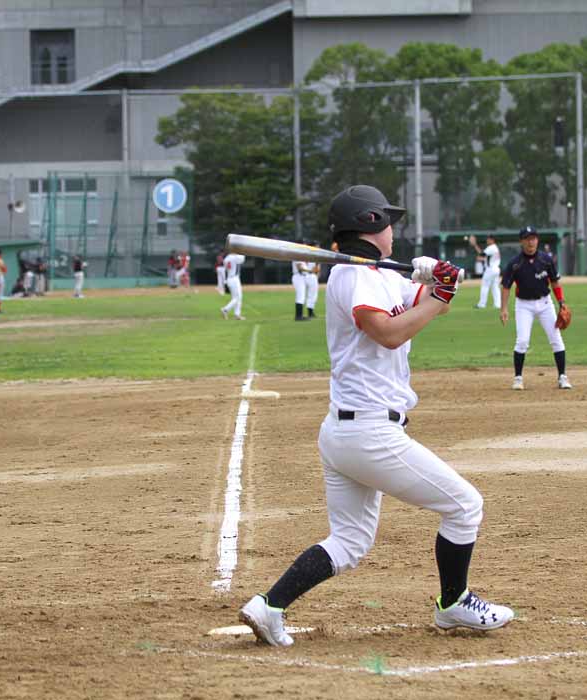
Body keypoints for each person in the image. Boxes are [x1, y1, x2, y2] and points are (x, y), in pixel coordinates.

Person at [239, 185, 513, 647]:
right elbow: (386, 331)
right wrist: (435, 302)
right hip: (369, 432)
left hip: (349, 431)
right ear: (369, 225)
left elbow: (418, 296)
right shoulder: (354, 275)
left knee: (349, 542)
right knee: (465, 506)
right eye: (387, 222)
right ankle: (453, 603)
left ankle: (268, 606)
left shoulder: (379, 274)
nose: (392, 229)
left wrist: (438, 278)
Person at [500, 226, 571, 390]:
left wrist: (561, 302)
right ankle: (518, 378)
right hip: (524, 305)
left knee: (556, 339)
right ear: (521, 241)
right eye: (527, 238)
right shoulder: (515, 264)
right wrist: (503, 309)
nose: (531, 241)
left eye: (533, 238)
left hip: (545, 304)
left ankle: (562, 376)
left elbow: (554, 282)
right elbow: (506, 287)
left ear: (537, 240)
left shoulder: (546, 260)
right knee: (522, 341)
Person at [469, 234, 501, 309]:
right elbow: (486, 257)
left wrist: (475, 245)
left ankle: (482, 304)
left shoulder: (491, 247)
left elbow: (482, 254)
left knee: (485, 286)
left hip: (490, 269)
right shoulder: (495, 248)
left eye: (489, 239)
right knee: (495, 287)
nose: (487, 240)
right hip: (496, 269)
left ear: (492, 240)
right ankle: (497, 304)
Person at [219, 249, 245, 321]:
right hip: (234, 279)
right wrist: (244, 250)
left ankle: (237, 315)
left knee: (236, 297)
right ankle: (225, 309)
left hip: (230, 278)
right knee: (237, 298)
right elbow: (242, 259)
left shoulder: (226, 259)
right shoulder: (235, 257)